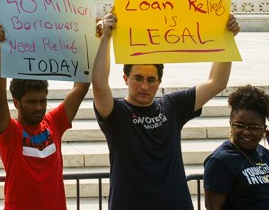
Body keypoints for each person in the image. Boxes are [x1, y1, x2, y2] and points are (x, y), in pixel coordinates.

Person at [91, 12, 240, 210]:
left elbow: (217, 82)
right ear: (126, 79)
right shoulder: (116, 113)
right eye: (138, 78)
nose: (144, 86)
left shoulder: (172, 106)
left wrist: (226, 38)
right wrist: (106, 38)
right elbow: (100, 85)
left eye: (151, 80)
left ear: (159, 81)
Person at [0, 23, 90, 210]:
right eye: (32, 102)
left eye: (43, 101)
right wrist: (1, 52)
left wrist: (86, 43)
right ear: (17, 103)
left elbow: (81, 87)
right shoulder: (10, 133)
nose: (39, 107)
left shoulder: (55, 123)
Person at [204, 85, 269, 210]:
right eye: (239, 125)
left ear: (263, 128)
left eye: (254, 127)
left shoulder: (266, 155)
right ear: (230, 124)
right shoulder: (220, 161)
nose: (246, 132)